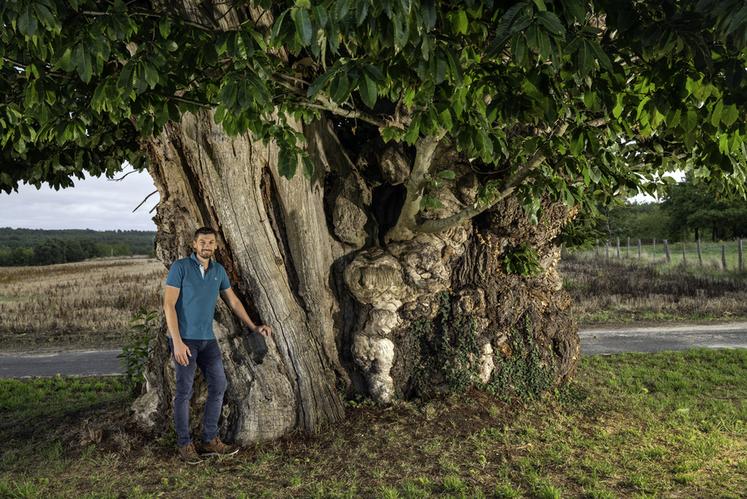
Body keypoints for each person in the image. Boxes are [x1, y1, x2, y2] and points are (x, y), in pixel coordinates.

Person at [164, 226, 272, 464]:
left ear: (215, 246)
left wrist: (254, 327)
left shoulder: (218, 270)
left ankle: (209, 439)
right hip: (184, 340)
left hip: (207, 339)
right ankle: (184, 444)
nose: (206, 246)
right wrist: (178, 342)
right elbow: (168, 305)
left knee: (219, 386)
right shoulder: (180, 268)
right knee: (184, 392)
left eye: (211, 242)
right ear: (194, 244)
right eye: (202, 242)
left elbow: (232, 301)